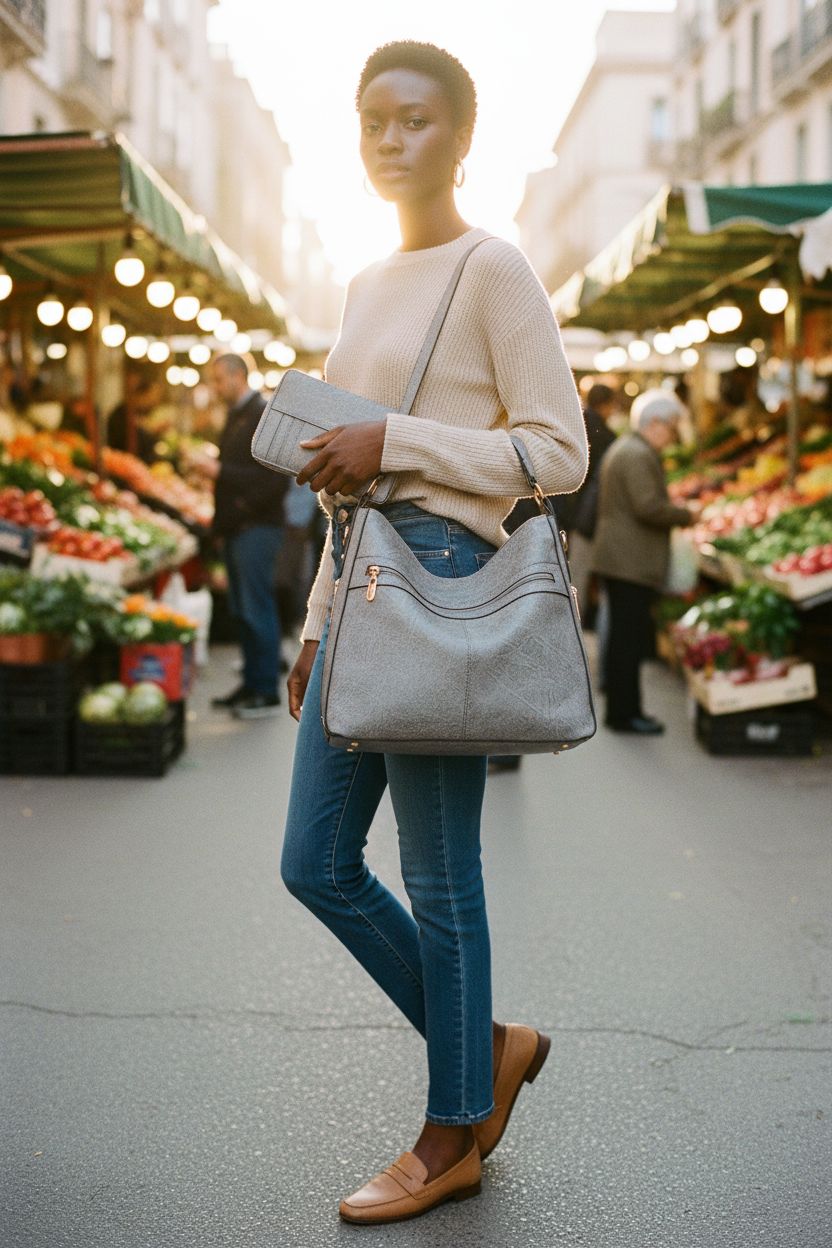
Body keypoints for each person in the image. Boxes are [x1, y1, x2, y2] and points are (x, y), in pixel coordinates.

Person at [279, 41, 588, 1225]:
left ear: (461, 139)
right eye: (371, 122)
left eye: (414, 121)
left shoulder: (492, 269)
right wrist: (311, 625)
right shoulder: (362, 287)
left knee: (439, 876)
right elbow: (339, 484)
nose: (389, 139)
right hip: (357, 588)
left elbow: (556, 454)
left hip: (449, 577)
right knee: (313, 862)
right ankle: (489, 1046)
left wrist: (396, 441)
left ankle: (451, 1129)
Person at [592, 389, 695, 735]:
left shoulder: (629, 449)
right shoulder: (636, 454)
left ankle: (624, 710)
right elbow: (647, 506)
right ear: (654, 423)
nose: (672, 437)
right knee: (627, 641)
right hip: (629, 562)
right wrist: (685, 514)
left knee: (625, 638)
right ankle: (625, 713)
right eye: (671, 428)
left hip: (624, 559)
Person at [192, 353, 286, 718]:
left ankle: (265, 690)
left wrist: (219, 471)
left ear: (236, 376)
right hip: (237, 529)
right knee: (242, 610)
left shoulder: (261, 413)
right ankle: (251, 682)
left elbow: (272, 477)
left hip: (256, 529)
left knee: (255, 607)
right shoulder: (238, 415)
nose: (215, 388)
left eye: (218, 380)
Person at [564, 382, 618, 615]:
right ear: (606, 405)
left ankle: (572, 621)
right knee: (580, 573)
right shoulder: (606, 436)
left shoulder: (574, 423)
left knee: (571, 571)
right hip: (588, 514)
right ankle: (576, 622)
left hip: (568, 507)